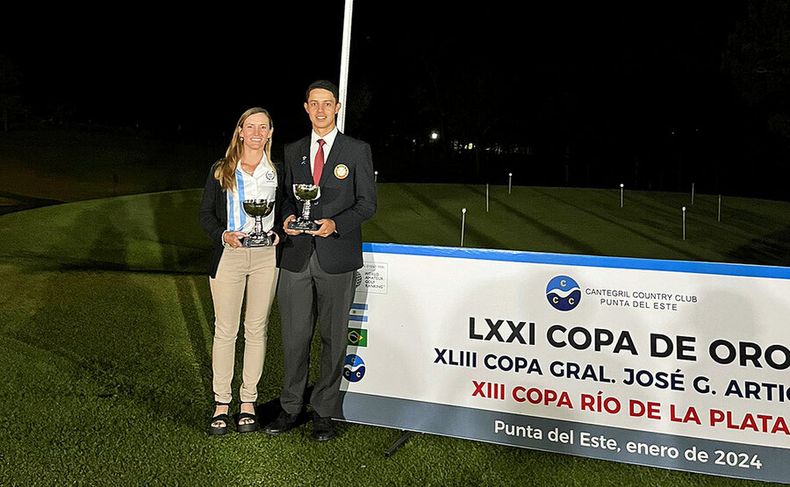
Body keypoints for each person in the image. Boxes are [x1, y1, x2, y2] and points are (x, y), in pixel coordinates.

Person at [263, 80, 376, 441]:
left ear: (338, 107)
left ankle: (324, 411)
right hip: (296, 257)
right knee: (295, 338)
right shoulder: (294, 149)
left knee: (333, 338)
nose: (322, 110)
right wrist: (287, 219)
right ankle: (291, 406)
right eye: (315, 104)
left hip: (336, 256)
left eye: (328, 104)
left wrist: (334, 225)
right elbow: (285, 199)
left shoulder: (356, 150)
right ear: (306, 108)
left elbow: (367, 204)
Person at [199, 107, 282, 436]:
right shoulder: (221, 171)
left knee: (256, 330)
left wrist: (281, 233)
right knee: (226, 330)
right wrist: (223, 235)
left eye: (264, 127)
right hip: (229, 257)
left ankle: (248, 401)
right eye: (252, 126)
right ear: (241, 132)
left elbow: (288, 208)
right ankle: (222, 402)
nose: (258, 132)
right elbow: (205, 214)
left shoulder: (277, 171)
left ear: (270, 133)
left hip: (265, 258)